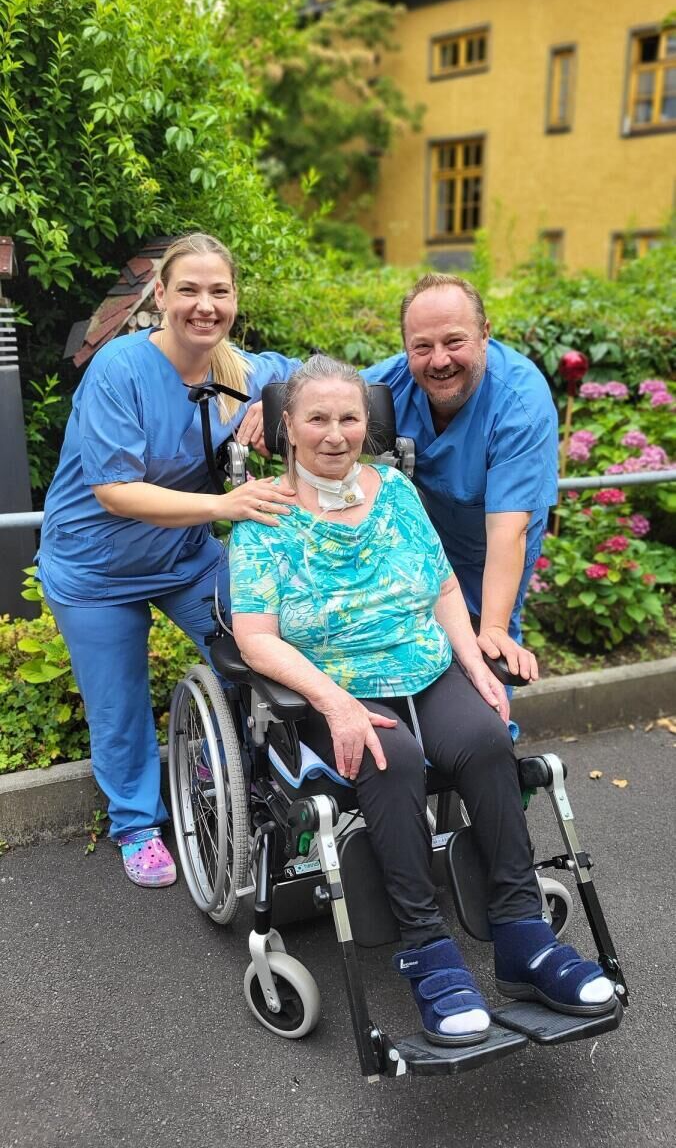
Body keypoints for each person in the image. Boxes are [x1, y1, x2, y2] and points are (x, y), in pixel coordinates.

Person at [229, 356, 616, 1048]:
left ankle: (523, 937)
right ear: (287, 425)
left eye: (349, 418)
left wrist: (474, 664)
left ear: (367, 423)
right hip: (333, 684)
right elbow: (256, 638)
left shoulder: (399, 492)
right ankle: (427, 950)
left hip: (425, 669)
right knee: (393, 759)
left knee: (488, 741)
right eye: (317, 418)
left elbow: (442, 589)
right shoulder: (263, 516)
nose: (335, 433)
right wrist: (334, 703)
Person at [37, 232, 298, 888]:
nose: (204, 305)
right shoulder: (120, 368)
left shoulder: (239, 371)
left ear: (234, 299)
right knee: (119, 705)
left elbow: (322, 377)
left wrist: (276, 404)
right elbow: (115, 492)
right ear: (160, 296)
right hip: (95, 570)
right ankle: (135, 824)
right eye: (189, 290)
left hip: (183, 557)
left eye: (219, 291)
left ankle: (220, 764)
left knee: (262, 651)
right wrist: (225, 507)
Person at [361, 274, 558, 682]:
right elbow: (323, 394)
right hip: (424, 544)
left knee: (486, 653)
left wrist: (494, 628)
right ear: (405, 347)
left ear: (484, 334)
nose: (439, 360)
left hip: (492, 550)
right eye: (422, 347)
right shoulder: (391, 382)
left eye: (454, 342)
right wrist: (278, 405)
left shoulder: (520, 402)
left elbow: (509, 530)